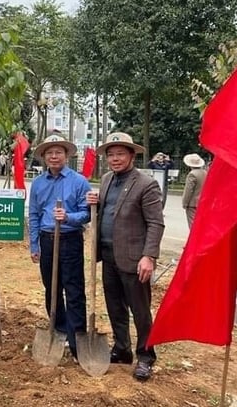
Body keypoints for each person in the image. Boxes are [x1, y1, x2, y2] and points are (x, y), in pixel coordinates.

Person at [85, 132, 165, 382]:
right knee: (115, 307)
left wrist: (148, 256)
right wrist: (93, 204)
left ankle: (146, 355)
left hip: (133, 259)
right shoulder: (107, 179)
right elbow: (106, 212)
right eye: (111, 154)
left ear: (132, 155)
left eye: (120, 153)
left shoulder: (146, 183)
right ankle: (122, 348)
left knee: (139, 310)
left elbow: (155, 223)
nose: (115, 158)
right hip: (108, 256)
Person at [28, 134, 91, 362]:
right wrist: (34, 244)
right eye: (50, 153)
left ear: (66, 156)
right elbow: (34, 215)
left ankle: (77, 340)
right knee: (51, 288)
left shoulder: (79, 181)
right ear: (44, 157)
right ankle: (59, 328)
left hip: (70, 240)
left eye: (59, 152)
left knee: (73, 290)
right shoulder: (38, 184)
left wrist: (68, 217)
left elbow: (87, 214)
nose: (54, 156)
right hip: (47, 239)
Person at [181, 153, 207, 228]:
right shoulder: (205, 172)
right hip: (203, 202)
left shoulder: (192, 174)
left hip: (193, 203)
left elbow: (188, 190)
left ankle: (195, 239)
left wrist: (185, 203)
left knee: (193, 224)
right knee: (201, 223)